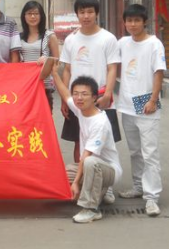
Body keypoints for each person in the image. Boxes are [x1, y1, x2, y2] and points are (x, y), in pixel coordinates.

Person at [59, 0, 120, 204]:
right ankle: (82, 183)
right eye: (82, 12)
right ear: (77, 14)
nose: (86, 16)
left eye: (90, 12)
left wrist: (108, 93)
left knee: (104, 143)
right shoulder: (71, 39)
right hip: (76, 100)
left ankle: (106, 187)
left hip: (100, 97)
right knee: (79, 141)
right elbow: (67, 70)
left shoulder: (108, 38)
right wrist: (65, 99)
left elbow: (112, 68)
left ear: (97, 13)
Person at [52, 70, 122, 223]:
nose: (79, 98)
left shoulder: (100, 122)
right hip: (90, 167)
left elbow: (86, 156)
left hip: (108, 169)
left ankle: (91, 209)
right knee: (58, 176)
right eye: (76, 94)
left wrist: (76, 182)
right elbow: (65, 94)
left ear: (94, 97)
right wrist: (54, 72)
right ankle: (97, 191)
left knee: (90, 163)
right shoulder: (80, 109)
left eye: (84, 94)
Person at [117, 4, 166, 217]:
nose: (133, 24)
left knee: (150, 153)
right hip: (127, 105)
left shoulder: (154, 44)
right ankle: (138, 186)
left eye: (137, 20)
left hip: (146, 103)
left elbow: (159, 72)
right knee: (135, 151)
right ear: (124, 22)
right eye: (129, 20)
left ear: (144, 21)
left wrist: (153, 99)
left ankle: (152, 197)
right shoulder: (122, 43)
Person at [19, 1, 59, 110]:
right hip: (25, 86)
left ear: (41, 16)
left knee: (44, 118)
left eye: (36, 13)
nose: (33, 16)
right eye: (29, 13)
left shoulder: (49, 36)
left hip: (44, 87)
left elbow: (57, 61)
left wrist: (47, 59)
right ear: (24, 16)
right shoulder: (19, 37)